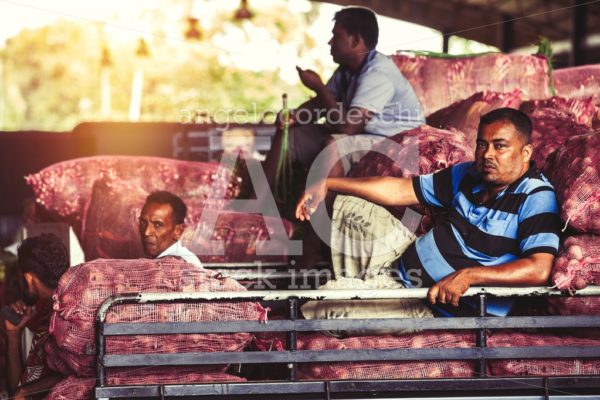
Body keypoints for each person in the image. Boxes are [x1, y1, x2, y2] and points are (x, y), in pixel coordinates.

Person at [296, 108, 561, 316]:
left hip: (431, 304)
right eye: (482, 144)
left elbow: (538, 269)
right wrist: (328, 184)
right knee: (349, 204)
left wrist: (469, 275)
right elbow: (400, 190)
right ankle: (369, 283)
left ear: (525, 152)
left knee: (319, 310)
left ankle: (364, 293)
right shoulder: (468, 174)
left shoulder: (536, 196)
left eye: (500, 146)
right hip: (398, 268)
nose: (487, 154)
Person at [262, 6, 424, 191]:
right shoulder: (347, 70)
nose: (330, 42)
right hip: (365, 136)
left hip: (396, 141)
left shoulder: (378, 73)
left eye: (336, 36)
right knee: (291, 135)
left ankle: (322, 217)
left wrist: (318, 86)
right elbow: (321, 104)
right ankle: (257, 202)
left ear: (355, 40)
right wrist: (294, 117)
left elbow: (348, 127)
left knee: (334, 144)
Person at [4, 234, 68, 399]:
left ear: (29, 278)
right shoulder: (48, 310)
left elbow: (76, 373)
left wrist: (25, 391)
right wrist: (13, 334)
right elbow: (17, 389)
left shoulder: (68, 312)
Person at [139, 191, 202, 267]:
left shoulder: (181, 264)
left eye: (157, 225)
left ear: (178, 231)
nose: (147, 232)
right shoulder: (163, 261)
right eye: (143, 223)